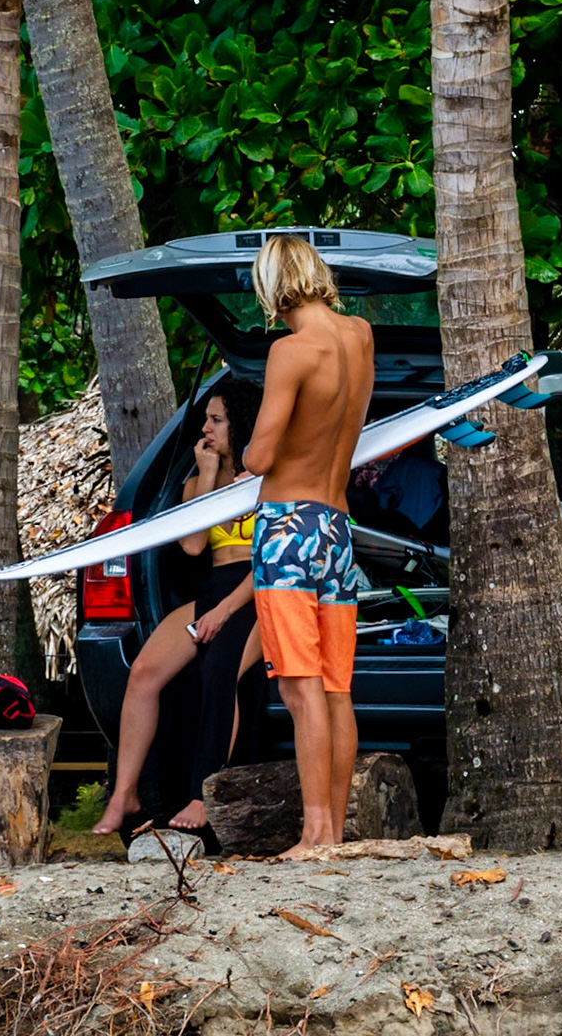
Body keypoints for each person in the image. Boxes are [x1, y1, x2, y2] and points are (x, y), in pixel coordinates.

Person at [240, 233, 375, 859]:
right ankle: (336, 832)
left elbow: (262, 455)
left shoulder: (291, 352)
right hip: (337, 526)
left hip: (289, 525)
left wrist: (244, 456)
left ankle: (314, 833)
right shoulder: (360, 335)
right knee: (336, 687)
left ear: (271, 286)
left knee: (300, 688)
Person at [92, 376, 266, 835]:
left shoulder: (269, 478)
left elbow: (270, 560)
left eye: (216, 420)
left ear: (241, 422)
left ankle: (203, 792)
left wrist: (226, 609)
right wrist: (208, 475)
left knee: (219, 669)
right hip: (213, 586)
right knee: (145, 672)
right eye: (205, 420)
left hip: (260, 590)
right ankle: (125, 792)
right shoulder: (196, 485)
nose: (205, 428)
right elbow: (192, 547)